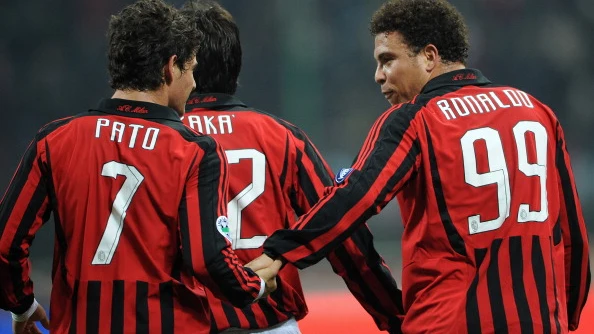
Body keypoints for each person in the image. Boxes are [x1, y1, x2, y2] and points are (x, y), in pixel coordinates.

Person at [249, 0, 591, 333]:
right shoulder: (537, 112)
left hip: (447, 321)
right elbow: (573, 236)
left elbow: (355, 198)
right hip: (540, 321)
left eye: (387, 60)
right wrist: (565, 318)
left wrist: (282, 251)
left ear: (429, 56)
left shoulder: (414, 119)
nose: (378, 76)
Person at [0, 1, 279, 333]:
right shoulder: (194, 151)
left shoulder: (55, 140)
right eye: (190, 69)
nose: (192, 83)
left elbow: (5, 244)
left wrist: (22, 305)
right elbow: (210, 260)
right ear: (170, 68)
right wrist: (255, 286)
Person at [180, 1, 404, 333]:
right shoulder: (282, 137)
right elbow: (343, 235)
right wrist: (393, 317)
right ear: (236, 66)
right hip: (270, 323)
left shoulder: (159, 142)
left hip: (186, 321)